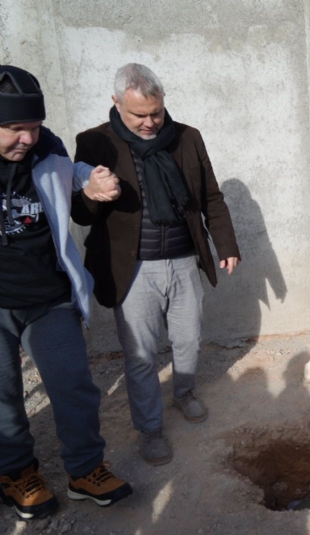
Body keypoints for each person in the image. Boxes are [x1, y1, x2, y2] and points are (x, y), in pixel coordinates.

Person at [72, 63, 241, 466]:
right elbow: (81, 214)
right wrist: (95, 195)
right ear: (116, 104)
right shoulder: (95, 142)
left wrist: (226, 243)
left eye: (156, 113)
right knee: (141, 354)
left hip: (183, 260)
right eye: (139, 115)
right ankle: (150, 428)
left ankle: (183, 393)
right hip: (133, 270)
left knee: (187, 339)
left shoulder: (187, 138)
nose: (150, 123)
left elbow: (211, 197)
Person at [0, 65, 132, 520]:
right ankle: (17, 471)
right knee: (3, 395)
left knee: (74, 386)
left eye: (33, 127)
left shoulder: (47, 149)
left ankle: (85, 470)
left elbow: (70, 170)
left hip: (48, 297)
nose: (27, 139)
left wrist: (90, 183)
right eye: (15, 129)